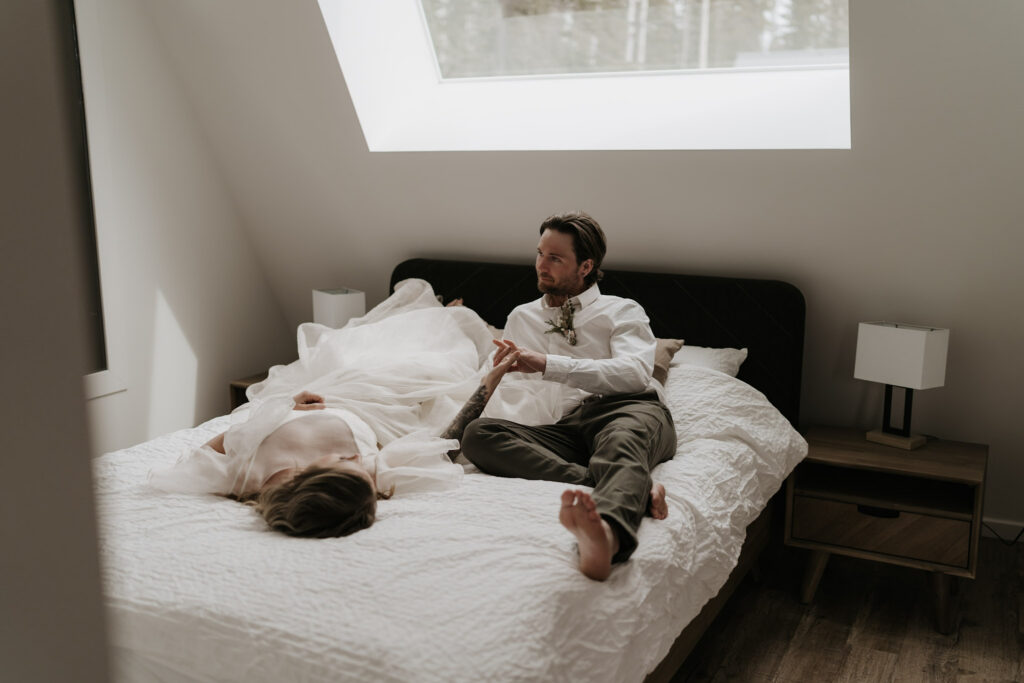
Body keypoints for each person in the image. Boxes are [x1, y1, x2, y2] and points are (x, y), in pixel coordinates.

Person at [461, 211, 677, 581]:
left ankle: (607, 538)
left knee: (620, 443)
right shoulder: (522, 317)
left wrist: (547, 364)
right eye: (539, 253)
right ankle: (632, 486)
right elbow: (508, 392)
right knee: (479, 435)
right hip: (567, 428)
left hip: (626, 409)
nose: (541, 265)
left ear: (586, 266)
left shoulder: (622, 310)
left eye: (555, 258)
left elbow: (634, 374)